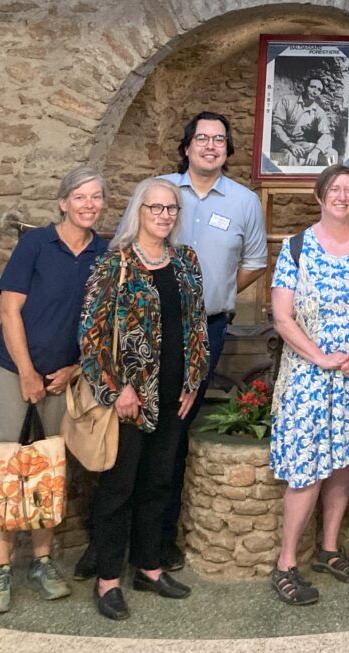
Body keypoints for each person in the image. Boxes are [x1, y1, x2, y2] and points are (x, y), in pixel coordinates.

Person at [76, 111, 268, 580]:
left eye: (219, 139)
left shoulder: (238, 207)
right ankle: (105, 553)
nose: (210, 145)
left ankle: (156, 548)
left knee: (169, 446)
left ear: (227, 148)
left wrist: (212, 298)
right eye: (202, 137)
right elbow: (95, 327)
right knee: (123, 457)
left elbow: (253, 264)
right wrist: (118, 383)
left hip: (197, 339)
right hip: (135, 357)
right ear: (186, 147)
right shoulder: (152, 200)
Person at [268, 165, 349, 605]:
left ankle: (328, 549)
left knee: (343, 460)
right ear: (319, 196)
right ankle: (286, 563)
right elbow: (282, 316)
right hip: (311, 375)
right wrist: (321, 356)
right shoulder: (296, 247)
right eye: (334, 189)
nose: (343, 196)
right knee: (306, 467)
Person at [0, 166, 109, 614]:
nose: (89, 205)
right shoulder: (35, 244)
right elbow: (10, 311)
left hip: (61, 379)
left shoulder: (104, 253)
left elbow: (101, 323)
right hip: (11, 373)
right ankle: (1, 569)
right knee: (6, 468)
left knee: (49, 469)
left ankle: (42, 561)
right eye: (81, 197)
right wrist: (27, 372)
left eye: (96, 197)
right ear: (63, 202)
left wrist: (74, 368)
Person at [79, 177, 210, 620]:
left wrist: (193, 380)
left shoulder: (186, 262)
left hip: (174, 395)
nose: (164, 215)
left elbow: (197, 325)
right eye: (155, 207)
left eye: (171, 208)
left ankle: (149, 567)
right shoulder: (114, 264)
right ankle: (107, 579)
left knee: (158, 482)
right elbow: (91, 336)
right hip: (129, 400)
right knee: (119, 488)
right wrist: (117, 389)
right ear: (139, 211)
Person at [271, 76, 339, 166]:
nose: (315, 92)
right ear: (305, 87)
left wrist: (315, 151)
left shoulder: (319, 111)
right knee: (289, 157)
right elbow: (276, 125)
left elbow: (326, 135)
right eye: (312, 87)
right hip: (283, 142)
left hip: (301, 144)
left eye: (319, 90)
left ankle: (328, 175)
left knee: (332, 153)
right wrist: (290, 144)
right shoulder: (287, 101)